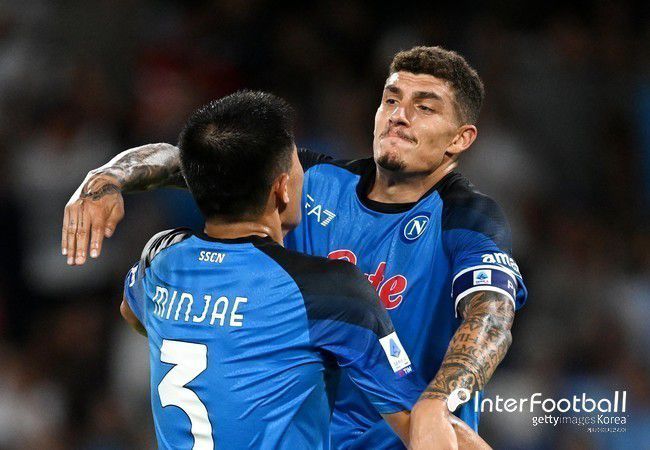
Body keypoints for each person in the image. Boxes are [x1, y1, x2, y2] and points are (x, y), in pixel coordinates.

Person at [63, 46, 523, 449]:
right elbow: (203, 159)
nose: (399, 115)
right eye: (391, 99)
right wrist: (105, 179)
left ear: (461, 138)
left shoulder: (466, 219)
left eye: (424, 107)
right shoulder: (315, 178)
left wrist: (438, 401)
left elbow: (491, 317)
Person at [121, 90, 429, 449]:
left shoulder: (161, 258)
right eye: (297, 164)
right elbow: (419, 426)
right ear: (281, 188)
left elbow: (131, 312)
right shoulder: (329, 289)